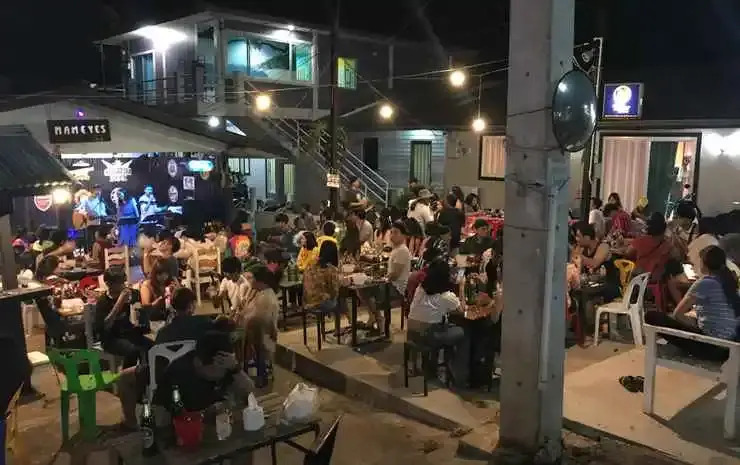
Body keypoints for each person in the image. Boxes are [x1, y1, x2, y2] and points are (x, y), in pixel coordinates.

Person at [645, 246, 740, 360]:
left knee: (652, 316)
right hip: (731, 346)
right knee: (689, 320)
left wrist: (690, 323)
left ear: (704, 264)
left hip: (713, 347)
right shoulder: (729, 281)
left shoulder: (704, 283)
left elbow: (678, 314)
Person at [407, 259, 468, 385]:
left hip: (412, 332)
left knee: (441, 326)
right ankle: (457, 371)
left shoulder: (420, 289)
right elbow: (462, 310)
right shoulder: (446, 296)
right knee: (462, 332)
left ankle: (432, 366)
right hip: (429, 335)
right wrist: (462, 287)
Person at [94, 267, 153, 368]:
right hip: (111, 338)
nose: (122, 286)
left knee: (151, 346)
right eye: (119, 283)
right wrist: (119, 303)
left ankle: (147, 373)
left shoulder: (131, 293)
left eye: (123, 282)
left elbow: (143, 306)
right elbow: (104, 327)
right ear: (108, 284)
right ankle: (126, 375)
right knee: (133, 350)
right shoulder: (103, 301)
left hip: (130, 333)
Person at [358, 221, 411, 332]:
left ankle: (378, 319)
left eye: (396, 233)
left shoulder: (402, 250)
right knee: (362, 289)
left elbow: (394, 275)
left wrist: (379, 280)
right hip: (389, 285)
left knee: (364, 289)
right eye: (391, 232)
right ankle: (375, 317)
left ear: (404, 235)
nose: (392, 235)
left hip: (395, 288)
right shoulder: (396, 249)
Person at [235, 265, 280, 367]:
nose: (248, 281)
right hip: (254, 331)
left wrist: (242, 319)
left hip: (263, 335)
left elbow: (257, 319)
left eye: (251, 278)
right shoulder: (257, 291)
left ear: (260, 281)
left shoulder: (267, 297)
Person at [574, 222, 621, 302]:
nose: (576, 239)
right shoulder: (582, 248)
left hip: (609, 284)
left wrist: (578, 256)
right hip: (591, 284)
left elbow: (594, 263)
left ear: (587, 237)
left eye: (578, 236)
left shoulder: (603, 246)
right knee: (574, 291)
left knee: (586, 294)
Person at [623, 213, 676, 278]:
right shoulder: (669, 246)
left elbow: (628, 253)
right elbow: (675, 257)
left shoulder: (642, 240)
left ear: (649, 227)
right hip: (656, 280)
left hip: (640, 279)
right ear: (664, 228)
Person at [303, 241, 341, 314]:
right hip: (321, 304)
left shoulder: (311, 265)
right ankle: (350, 318)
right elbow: (334, 291)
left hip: (307, 302)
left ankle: (349, 318)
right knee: (341, 300)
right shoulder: (331, 269)